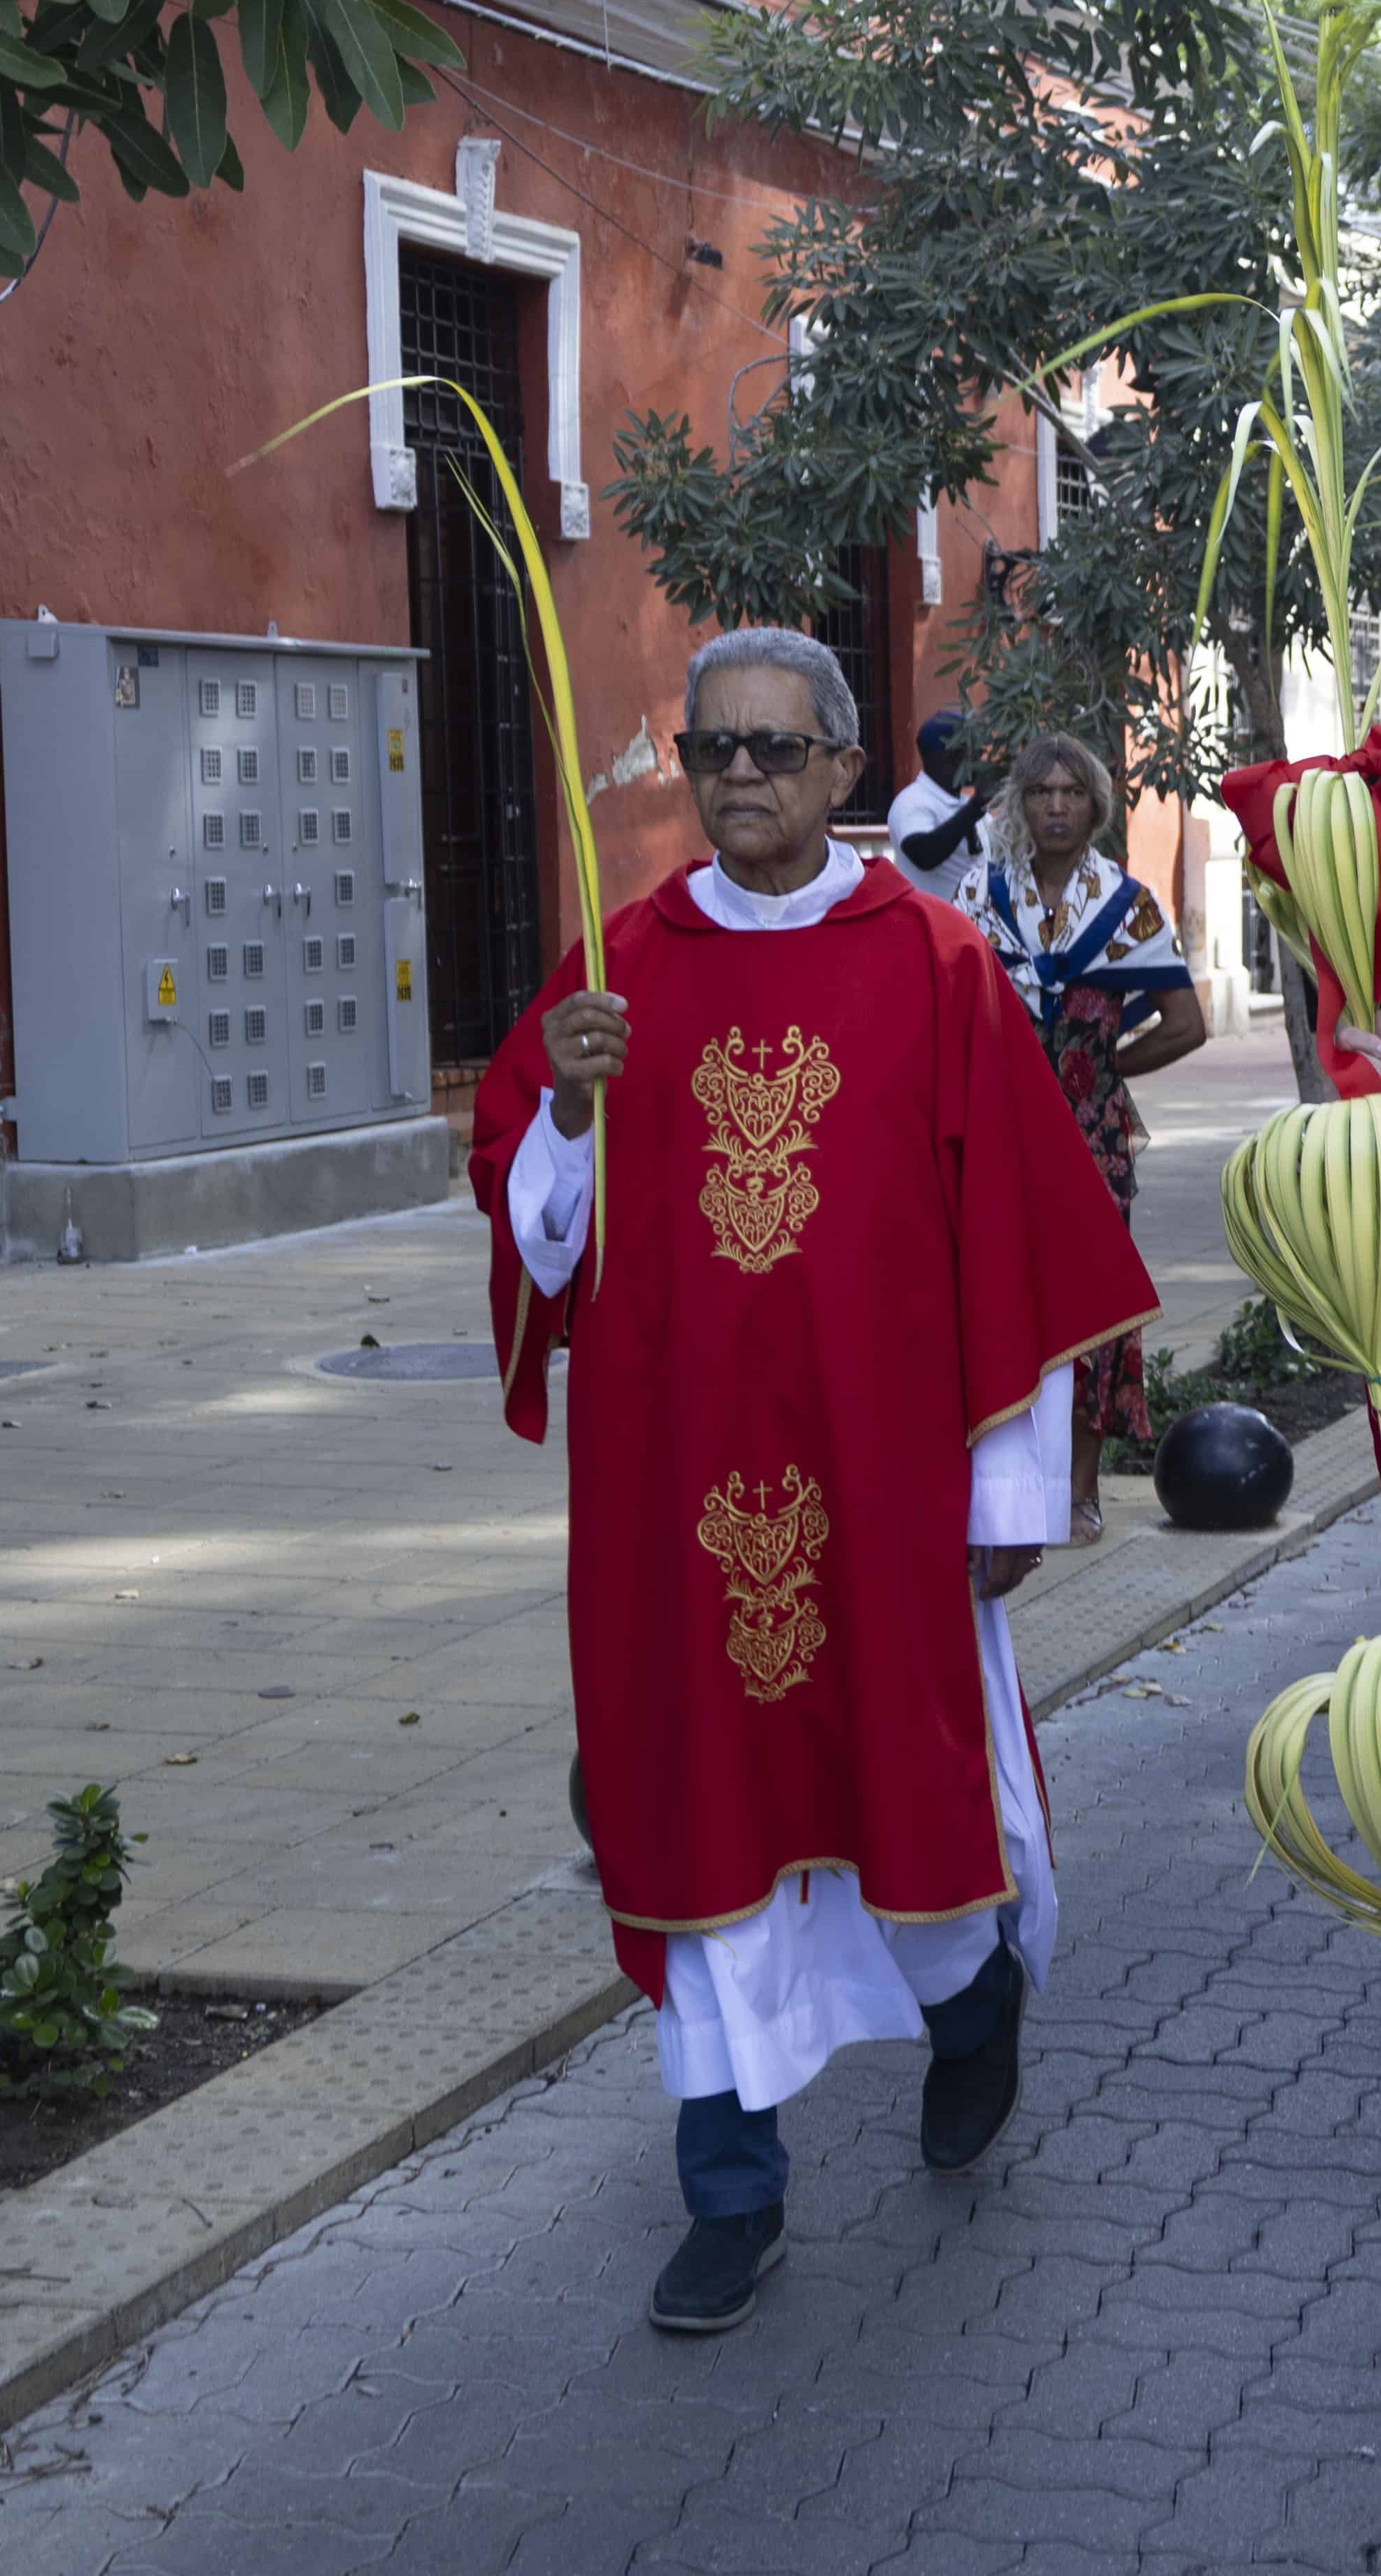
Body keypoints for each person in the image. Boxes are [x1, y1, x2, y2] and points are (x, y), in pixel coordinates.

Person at [470, 630, 1159, 2335]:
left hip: (878, 1479)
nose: (744, 780)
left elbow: (1009, 1241)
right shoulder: (615, 972)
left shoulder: (927, 964)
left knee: (895, 1799)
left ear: (844, 769)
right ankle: (732, 2185)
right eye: (716, 752)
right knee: (695, 1807)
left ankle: (971, 1994)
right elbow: (536, 1228)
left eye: (777, 749)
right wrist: (565, 1109)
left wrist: (1007, 1511)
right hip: (674, 1488)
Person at [957, 732, 1206, 1541]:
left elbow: (1187, 1025)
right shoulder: (981, 896)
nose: (1056, 806)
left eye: (1071, 793)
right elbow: (948, 1010)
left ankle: (1078, 1490)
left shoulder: (1126, 906)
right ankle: (999, 1485)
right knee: (996, 1298)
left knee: (1092, 1308)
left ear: (1096, 806)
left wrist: (1106, 1069)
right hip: (996, 1138)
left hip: (1093, 1145)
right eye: (1040, 793)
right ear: (1021, 806)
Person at [885, 708, 991, 878]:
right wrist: (975, 807)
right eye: (975, 753)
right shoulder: (912, 801)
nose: (980, 761)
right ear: (953, 756)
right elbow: (924, 855)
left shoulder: (966, 804)